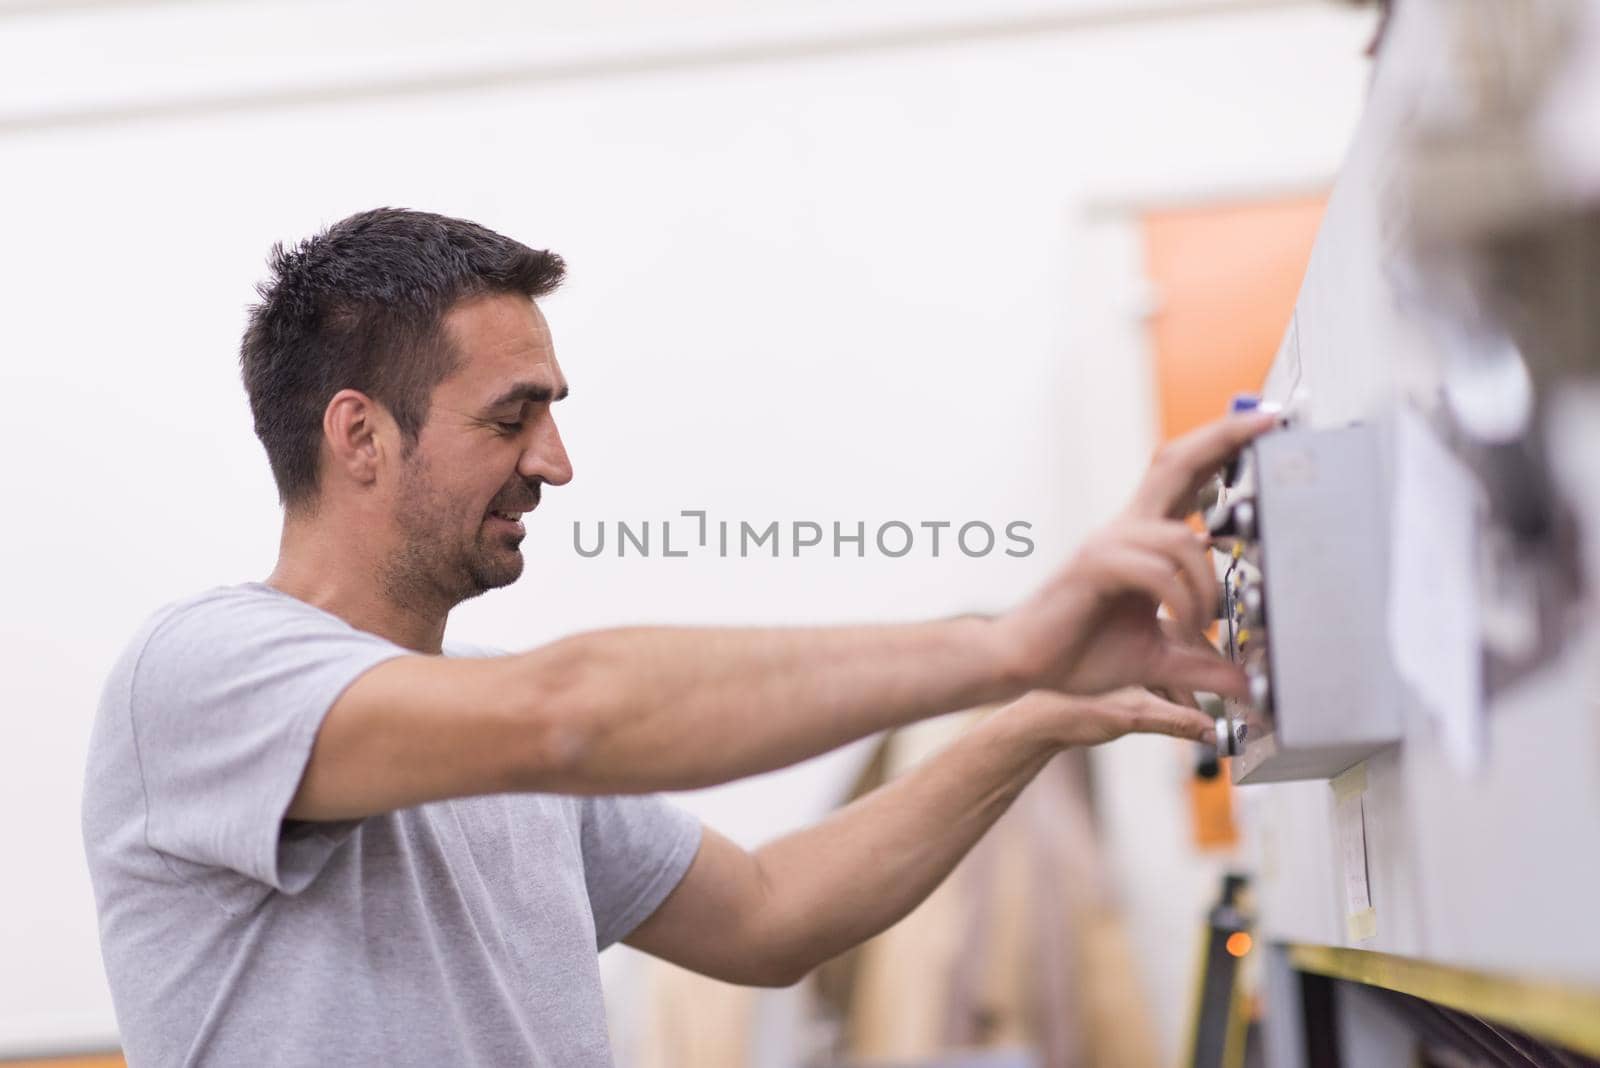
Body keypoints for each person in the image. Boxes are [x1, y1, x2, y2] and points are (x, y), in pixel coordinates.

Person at [82, 207, 1275, 1066]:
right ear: (359, 436)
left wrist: (1034, 719)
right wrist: (1007, 643)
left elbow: (768, 915)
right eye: (513, 418)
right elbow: (575, 716)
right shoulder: (203, 678)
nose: (554, 462)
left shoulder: (490, 730)